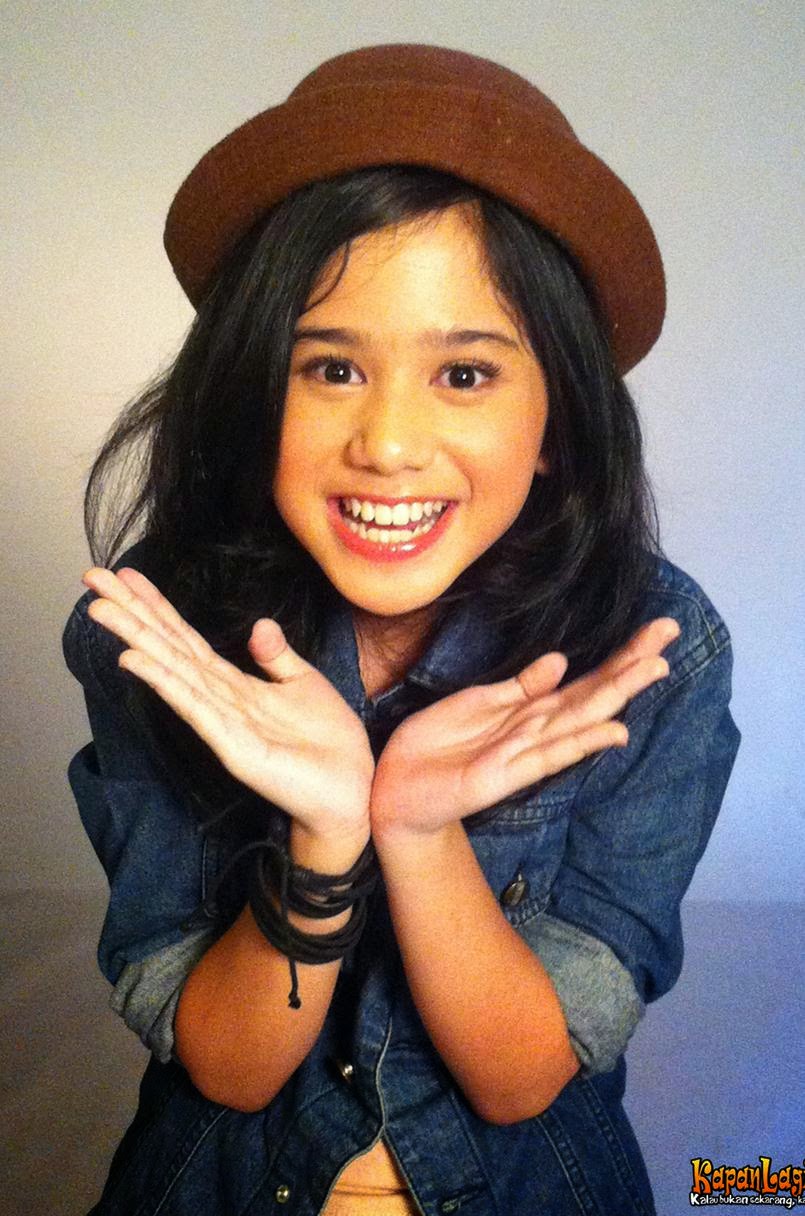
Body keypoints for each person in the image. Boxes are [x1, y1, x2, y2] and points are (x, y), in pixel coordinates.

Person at [63, 44, 740, 1216]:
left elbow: (519, 1079)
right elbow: (230, 1068)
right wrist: (325, 840)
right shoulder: (158, 635)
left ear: (556, 422)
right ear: (249, 393)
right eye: (329, 367)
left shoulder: (656, 651)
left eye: (464, 376)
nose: (385, 444)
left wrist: (416, 831)